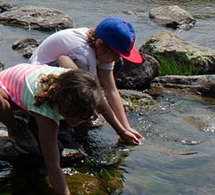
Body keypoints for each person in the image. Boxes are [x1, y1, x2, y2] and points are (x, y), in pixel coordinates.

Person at [0, 64, 102, 195]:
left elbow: (104, 105)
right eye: (81, 117)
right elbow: (52, 165)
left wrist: (122, 130)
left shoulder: (81, 86)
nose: (87, 119)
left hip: (34, 90)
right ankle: (16, 126)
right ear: (65, 110)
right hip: (6, 91)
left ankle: (28, 117)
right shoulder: (46, 109)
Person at [28, 17, 144, 145]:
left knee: (116, 64)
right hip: (38, 84)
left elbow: (111, 89)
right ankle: (61, 121)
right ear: (100, 44)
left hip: (64, 73)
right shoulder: (83, 53)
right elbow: (98, 95)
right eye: (115, 54)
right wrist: (120, 132)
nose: (116, 59)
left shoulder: (100, 45)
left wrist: (126, 127)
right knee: (81, 66)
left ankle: (77, 109)